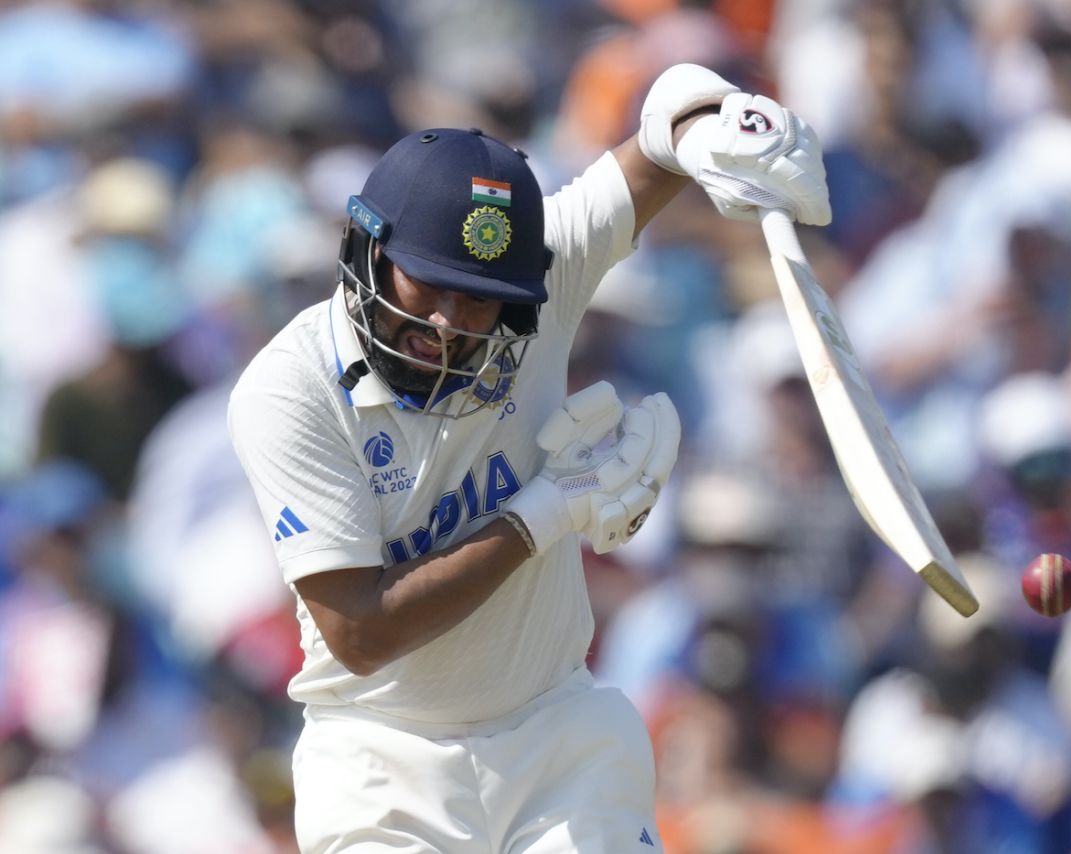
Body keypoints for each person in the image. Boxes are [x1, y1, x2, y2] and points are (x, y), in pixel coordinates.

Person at [226, 63, 830, 853]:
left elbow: (654, 151)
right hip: (381, 752)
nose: (448, 323)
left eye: (477, 299)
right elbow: (361, 633)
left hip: (555, 735)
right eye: (428, 285)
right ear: (367, 251)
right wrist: (543, 513)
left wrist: (721, 125)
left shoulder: (536, 279)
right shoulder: (289, 390)